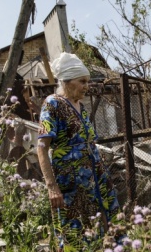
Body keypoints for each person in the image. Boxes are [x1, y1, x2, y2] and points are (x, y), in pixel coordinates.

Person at [37, 52, 119, 251]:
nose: (86, 86)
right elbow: (41, 147)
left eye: (87, 81)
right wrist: (51, 186)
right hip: (70, 183)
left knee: (101, 228)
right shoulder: (53, 104)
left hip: (94, 179)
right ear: (66, 81)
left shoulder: (81, 108)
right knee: (74, 233)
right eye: (82, 81)